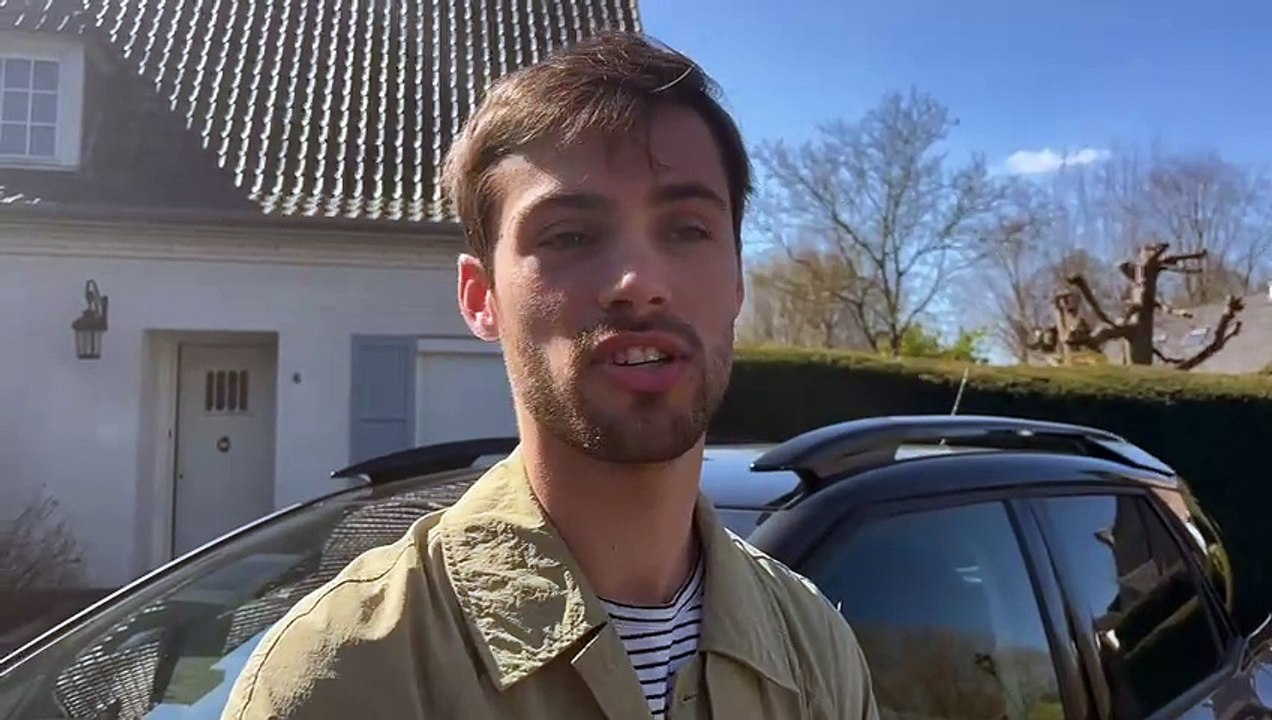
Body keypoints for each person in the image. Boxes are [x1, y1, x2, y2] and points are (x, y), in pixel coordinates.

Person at [221, 30, 880, 720]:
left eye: (687, 229)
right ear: (482, 299)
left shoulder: (815, 651)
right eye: (569, 236)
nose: (639, 283)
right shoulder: (343, 675)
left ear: (739, 281)